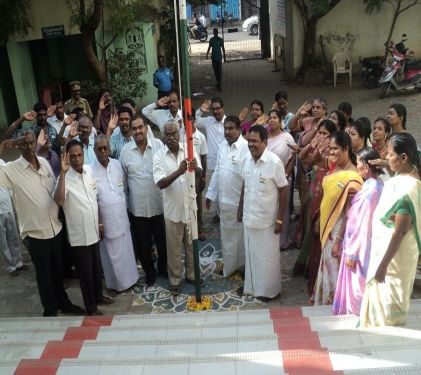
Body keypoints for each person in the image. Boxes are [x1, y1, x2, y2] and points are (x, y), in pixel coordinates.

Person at [0, 131, 84, 316]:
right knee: (44, 276)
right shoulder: (11, 170)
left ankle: (64, 304)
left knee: (57, 273)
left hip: (55, 228)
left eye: (31, 143)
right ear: (18, 146)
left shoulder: (44, 162)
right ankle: (50, 311)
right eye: (24, 144)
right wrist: (3, 146)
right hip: (35, 233)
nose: (29, 147)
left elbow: (55, 188)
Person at [360, 133, 421, 327]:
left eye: (390, 155)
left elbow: (400, 232)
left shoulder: (408, 189)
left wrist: (382, 266)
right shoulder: (404, 178)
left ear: (404, 158)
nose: (386, 158)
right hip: (389, 254)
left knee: (388, 316)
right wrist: (387, 165)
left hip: (394, 261)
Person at [54, 139, 113, 316]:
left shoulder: (88, 171)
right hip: (79, 237)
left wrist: (100, 222)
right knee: (85, 275)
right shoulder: (63, 178)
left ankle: (98, 296)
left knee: (96, 270)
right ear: (67, 158)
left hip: (94, 230)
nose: (77, 159)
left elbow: (94, 199)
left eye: (79, 155)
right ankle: (91, 307)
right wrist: (63, 174)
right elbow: (59, 200)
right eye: (72, 156)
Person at [311, 131, 363, 305]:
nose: (331, 152)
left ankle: (335, 306)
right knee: (326, 267)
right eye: (330, 148)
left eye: (335, 149)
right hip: (328, 227)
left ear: (346, 148)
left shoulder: (354, 177)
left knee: (334, 270)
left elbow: (351, 213)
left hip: (339, 231)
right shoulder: (334, 166)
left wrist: (339, 240)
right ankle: (325, 303)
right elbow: (311, 160)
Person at [237, 126, 288, 302]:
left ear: (265, 143)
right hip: (249, 217)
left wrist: (280, 219)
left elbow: (283, 190)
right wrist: (239, 208)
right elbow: (245, 185)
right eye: (249, 141)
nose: (251, 144)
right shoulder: (246, 160)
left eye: (255, 141)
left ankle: (269, 291)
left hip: (268, 221)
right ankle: (251, 288)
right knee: (251, 255)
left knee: (267, 258)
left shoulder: (274, 163)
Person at [153, 120, 203, 296]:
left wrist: (195, 168)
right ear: (163, 136)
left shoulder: (188, 148)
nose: (171, 137)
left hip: (190, 208)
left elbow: (199, 173)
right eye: (167, 134)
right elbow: (161, 183)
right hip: (172, 210)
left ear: (179, 133)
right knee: (173, 248)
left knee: (191, 245)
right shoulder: (158, 155)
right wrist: (179, 172)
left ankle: (191, 275)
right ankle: (175, 279)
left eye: (174, 133)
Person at [333, 148, 384, 315]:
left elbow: (362, 224)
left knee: (356, 289)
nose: (356, 167)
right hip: (367, 244)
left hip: (360, 248)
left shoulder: (370, 191)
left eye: (359, 164)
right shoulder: (378, 186)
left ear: (367, 168)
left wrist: (352, 253)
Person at [120, 114, 167, 286]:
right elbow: (124, 183)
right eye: (134, 128)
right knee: (143, 244)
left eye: (141, 127)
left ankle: (163, 268)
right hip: (138, 209)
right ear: (131, 131)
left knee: (163, 241)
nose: (138, 131)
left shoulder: (159, 146)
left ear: (146, 128)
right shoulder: (125, 152)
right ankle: (150, 272)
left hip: (159, 205)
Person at [91, 135, 139, 293]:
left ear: (110, 149)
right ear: (94, 151)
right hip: (106, 222)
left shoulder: (118, 165)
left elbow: (123, 188)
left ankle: (132, 280)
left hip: (121, 217)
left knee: (126, 252)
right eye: (99, 149)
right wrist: (98, 222)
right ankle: (116, 285)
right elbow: (93, 200)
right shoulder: (90, 171)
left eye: (105, 148)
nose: (103, 151)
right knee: (111, 256)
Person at [205, 116, 249, 277]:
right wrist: (210, 195)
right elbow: (217, 171)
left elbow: (247, 178)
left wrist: (242, 205)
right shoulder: (223, 146)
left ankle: (244, 268)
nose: (227, 132)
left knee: (242, 238)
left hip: (239, 203)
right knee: (227, 238)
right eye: (225, 128)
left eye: (231, 128)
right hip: (223, 202)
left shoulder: (245, 147)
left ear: (239, 130)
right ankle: (230, 267)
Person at [267, 109, 296, 250]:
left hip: (283, 177)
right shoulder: (264, 137)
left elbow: (293, 156)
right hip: (267, 179)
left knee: (283, 209)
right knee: (271, 208)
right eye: (270, 118)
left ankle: (282, 240)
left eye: (274, 118)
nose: (272, 120)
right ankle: (270, 239)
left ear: (280, 121)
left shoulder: (287, 137)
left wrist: (287, 173)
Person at [180, 110, 208, 241]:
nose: (187, 122)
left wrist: (203, 177)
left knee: (197, 201)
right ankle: (186, 228)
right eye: (185, 120)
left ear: (193, 120)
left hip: (196, 173)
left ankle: (200, 227)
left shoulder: (200, 137)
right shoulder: (179, 134)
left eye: (189, 119)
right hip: (182, 173)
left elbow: (203, 157)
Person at [0, 148, 27, 277]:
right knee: (2, 240)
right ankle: (11, 266)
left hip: (7, 206)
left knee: (13, 236)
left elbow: (10, 182)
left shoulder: (2, 163)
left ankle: (18, 262)